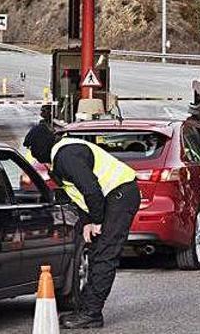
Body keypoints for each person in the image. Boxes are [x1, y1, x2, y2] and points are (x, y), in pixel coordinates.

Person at [24, 124, 140, 330]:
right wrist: (87, 222)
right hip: (111, 198)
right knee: (96, 251)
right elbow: (79, 195)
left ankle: (91, 314)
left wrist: (97, 220)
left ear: (40, 147)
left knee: (105, 254)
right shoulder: (59, 158)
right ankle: (86, 307)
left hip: (119, 194)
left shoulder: (66, 156)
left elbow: (91, 189)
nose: (34, 157)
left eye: (33, 151)